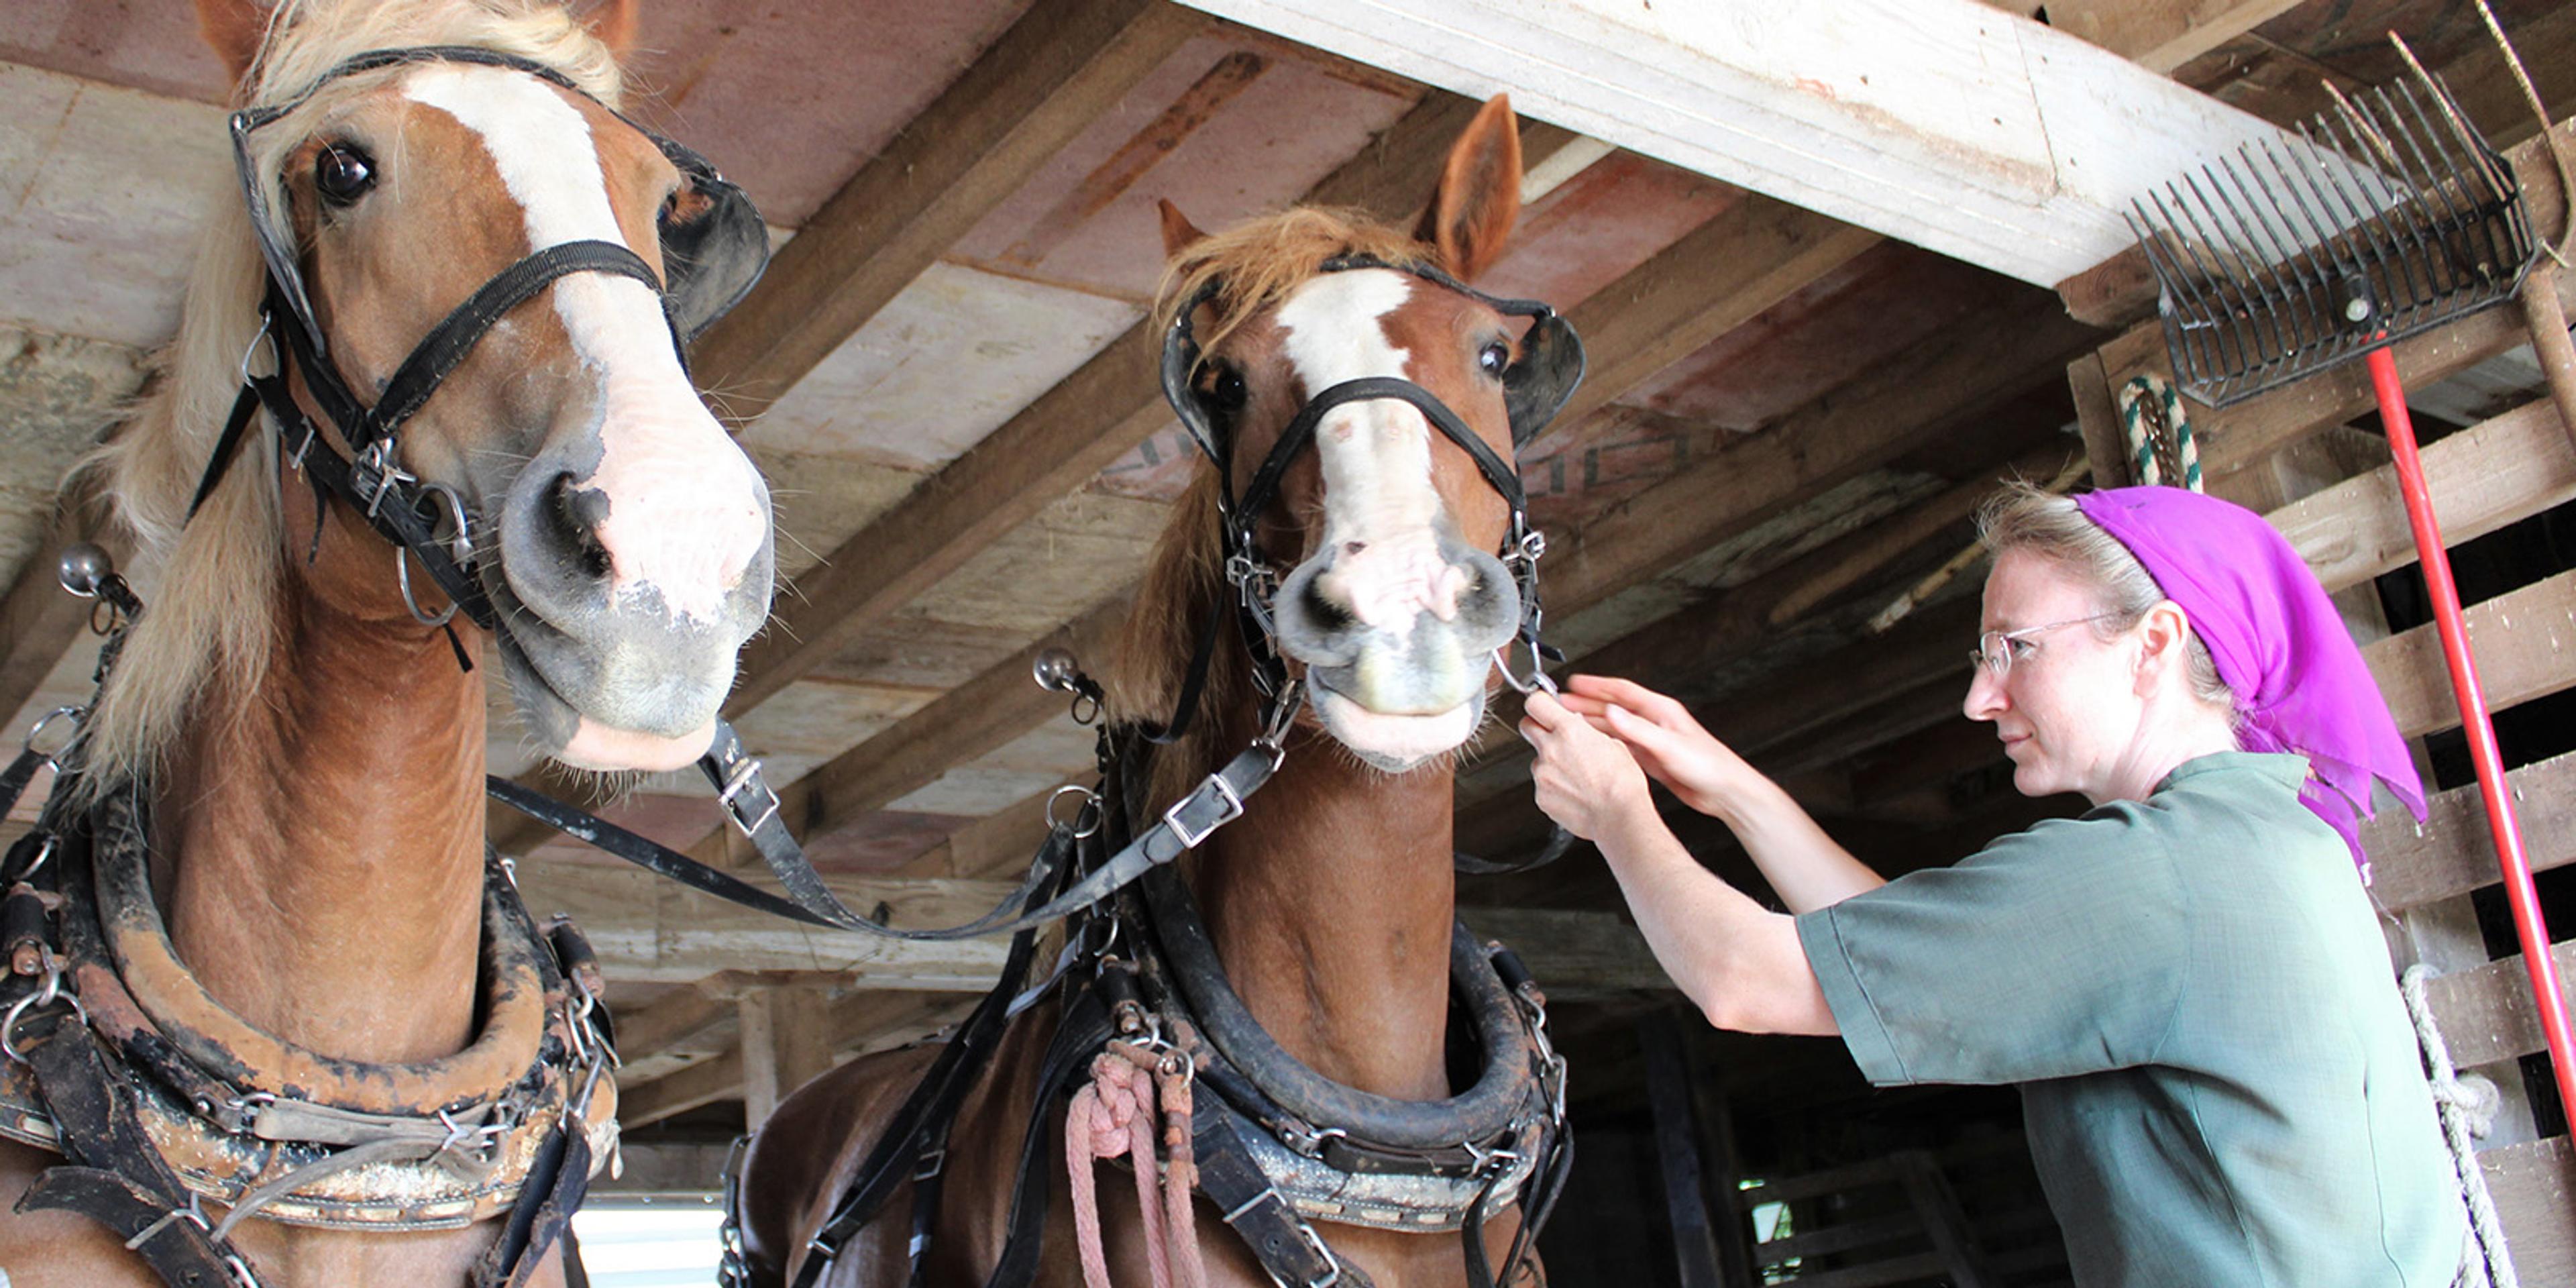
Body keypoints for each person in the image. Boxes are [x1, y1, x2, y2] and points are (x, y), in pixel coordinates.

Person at [1522, 482, 2471, 1288]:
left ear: (2154, 644)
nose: (1982, 698)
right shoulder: (2264, 838)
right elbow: (1889, 955)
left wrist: (1615, 813)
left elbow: (1746, 983)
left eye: (2016, 647)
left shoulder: (2149, 873)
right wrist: (1735, 792)